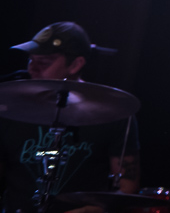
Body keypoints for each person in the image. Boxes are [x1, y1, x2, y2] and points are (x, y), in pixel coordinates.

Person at [0, 22, 140, 213]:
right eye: (31, 60)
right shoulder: (8, 108)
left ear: (75, 64)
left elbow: (126, 186)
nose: (33, 68)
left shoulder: (115, 114)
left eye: (44, 62)